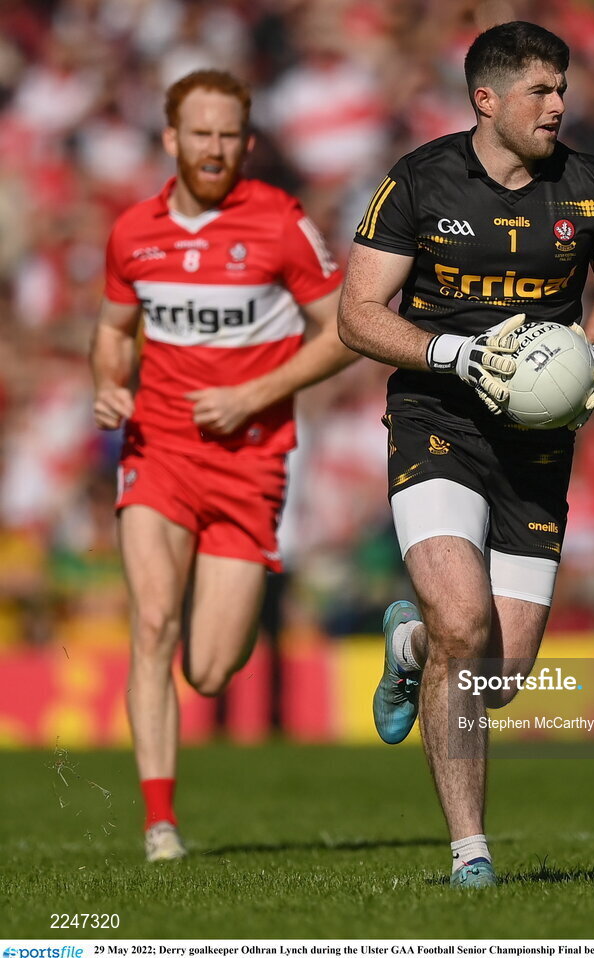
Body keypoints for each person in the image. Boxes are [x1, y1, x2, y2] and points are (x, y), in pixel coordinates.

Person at [337, 21, 594, 888]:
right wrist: (453, 354)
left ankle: (409, 649)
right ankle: (470, 853)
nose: (559, 105)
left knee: (500, 677)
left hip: (538, 444)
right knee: (466, 624)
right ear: (487, 99)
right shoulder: (420, 180)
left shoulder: (590, 186)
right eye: (541, 91)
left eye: (563, 89)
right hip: (438, 418)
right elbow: (358, 311)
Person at [90, 69, 356, 862]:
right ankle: (159, 823)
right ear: (172, 139)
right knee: (152, 624)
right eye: (199, 133)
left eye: (228, 135)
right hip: (159, 450)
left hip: (249, 463)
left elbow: (343, 330)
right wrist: (107, 382)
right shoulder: (132, 231)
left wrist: (256, 394)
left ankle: (175, 784)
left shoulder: (279, 223)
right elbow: (112, 330)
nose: (214, 148)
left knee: (206, 671)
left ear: (247, 142)